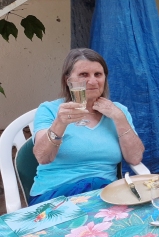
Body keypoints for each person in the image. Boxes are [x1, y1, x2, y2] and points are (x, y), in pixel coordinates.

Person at [30, 49, 145, 205]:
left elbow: (135, 158)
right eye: (84, 75)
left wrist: (118, 118)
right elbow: (43, 157)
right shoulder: (50, 110)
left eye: (98, 74)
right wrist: (60, 123)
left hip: (104, 195)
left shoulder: (118, 111)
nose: (92, 81)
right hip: (56, 197)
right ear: (68, 80)